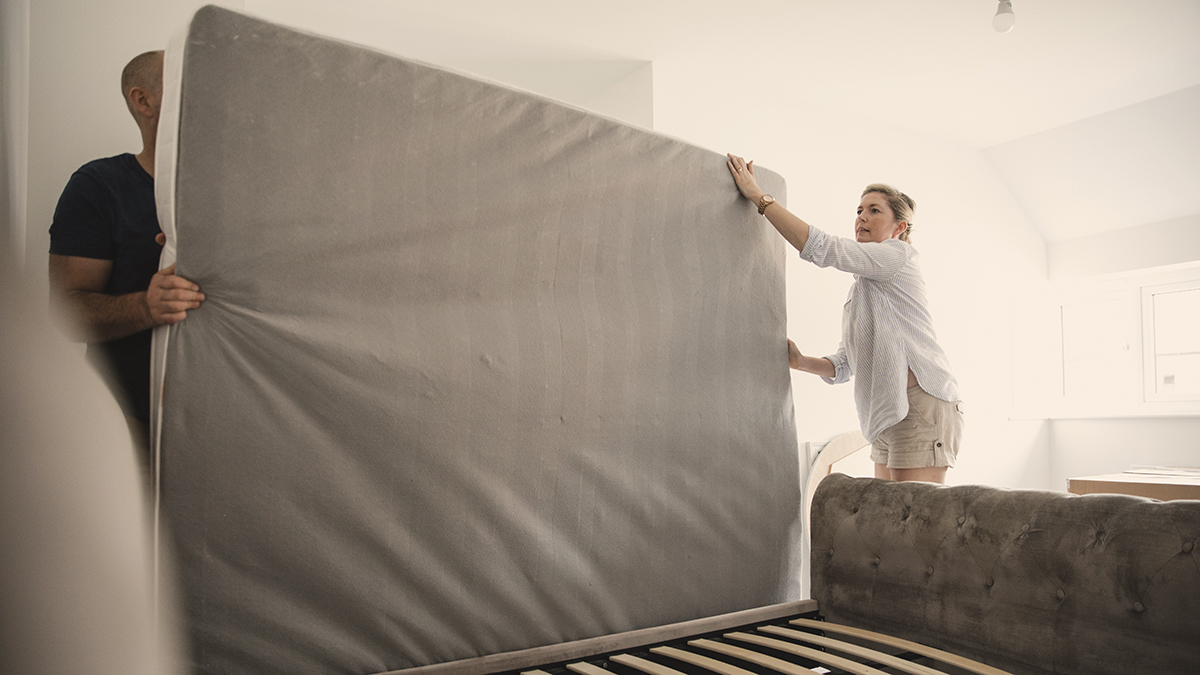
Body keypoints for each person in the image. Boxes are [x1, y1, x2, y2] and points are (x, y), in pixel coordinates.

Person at [726, 153, 962, 483]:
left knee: (913, 512)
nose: (862, 217)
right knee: (888, 511)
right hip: (886, 414)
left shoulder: (899, 256)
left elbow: (824, 248)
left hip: (920, 407)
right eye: (859, 210)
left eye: (874, 210)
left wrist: (759, 197)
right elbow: (844, 364)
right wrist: (800, 362)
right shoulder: (861, 291)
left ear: (900, 227)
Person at [48, 50, 205, 470]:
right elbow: (65, 314)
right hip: (127, 430)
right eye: (185, 79)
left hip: (225, 430)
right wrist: (147, 307)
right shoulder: (99, 187)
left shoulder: (238, 194)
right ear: (143, 100)